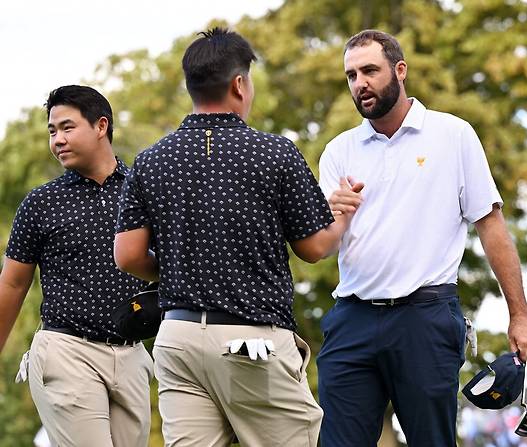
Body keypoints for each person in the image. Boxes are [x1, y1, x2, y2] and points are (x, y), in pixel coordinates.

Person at [114, 27, 352, 446]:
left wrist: (175, 270)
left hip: (178, 339)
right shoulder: (274, 153)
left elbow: (128, 255)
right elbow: (314, 248)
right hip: (250, 341)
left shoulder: (150, 160)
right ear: (239, 84)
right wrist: (342, 216)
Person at [316, 29, 527, 447]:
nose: (359, 83)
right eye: (350, 75)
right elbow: (324, 246)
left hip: (425, 317)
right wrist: (333, 214)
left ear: (400, 71)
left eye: (369, 70)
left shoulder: (453, 135)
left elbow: (490, 226)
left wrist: (519, 314)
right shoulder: (338, 150)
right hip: (351, 319)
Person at [0, 85, 153, 447]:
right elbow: (12, 284)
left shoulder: (143, 190)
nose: (57, 140)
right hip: (67, 351)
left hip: (132, 354)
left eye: (67, 128)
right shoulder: (40, 203)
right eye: (52, 131)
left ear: (101, 126)